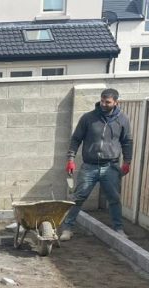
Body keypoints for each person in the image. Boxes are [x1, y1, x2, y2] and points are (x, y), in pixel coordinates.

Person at [60, 88, 133, 240]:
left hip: (111, 166)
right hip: (90, 166)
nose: (104, 104)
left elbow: (127, 141)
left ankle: (118, 229)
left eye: (108, 102)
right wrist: (71, 159)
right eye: (102, 101)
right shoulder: (88, 118)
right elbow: (76, 139)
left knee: (114, 198)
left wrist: (127, 161)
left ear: (115, 102)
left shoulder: (122, 120)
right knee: (78, 197)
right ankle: (67, 228)